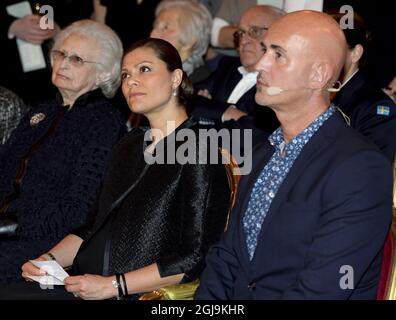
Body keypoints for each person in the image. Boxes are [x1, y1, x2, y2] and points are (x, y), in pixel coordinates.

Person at [0, 38, 231, 300]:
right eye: (125, 75)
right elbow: (90, 228)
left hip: (128, 291)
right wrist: (47, 259)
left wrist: (113, 285)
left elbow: (193, 256)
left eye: (144, 69)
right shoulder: (129, 145)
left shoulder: (200, 148)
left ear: (176, 77)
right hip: (82, 281)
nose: (131, 81)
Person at [195, 11, 393, 300]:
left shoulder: (360, 168)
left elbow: (322, 290)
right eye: (264, 51)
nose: (260, 64)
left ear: (318, 75)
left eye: (277, 54)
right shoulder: (263, 153)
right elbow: (226, 259)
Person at [0, 19, 126, 284]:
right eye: (60, 54)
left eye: (78, 59)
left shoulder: (104, 121)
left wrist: (13, 225)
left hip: (46, 244)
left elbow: (80, 210)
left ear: (103, 73)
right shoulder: (39, 111)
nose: (64, 63)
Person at [191, 5, 282, 142]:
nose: (244, 41)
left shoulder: (279, 84)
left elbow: (251, 133)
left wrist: (208, 109)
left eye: (254, 31)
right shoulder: (227, 67)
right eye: (240, 33)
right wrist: (227, 112)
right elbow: (186, 98)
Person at [330, 13, 396, 163]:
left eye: (332, 49)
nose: (321, 57)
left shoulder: (376, 109)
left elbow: (368, 171)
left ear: (356, 53)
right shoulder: (307, 94)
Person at [0, 0, 93, 104]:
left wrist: (61, 30)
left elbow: (82, 13)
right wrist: (12, 25)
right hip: (9, 71)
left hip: (56, 72)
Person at [150, 0, 213, 84]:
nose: (152, 34)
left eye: (165, 27)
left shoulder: (202, 84)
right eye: (155, 26)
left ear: (189, 40)